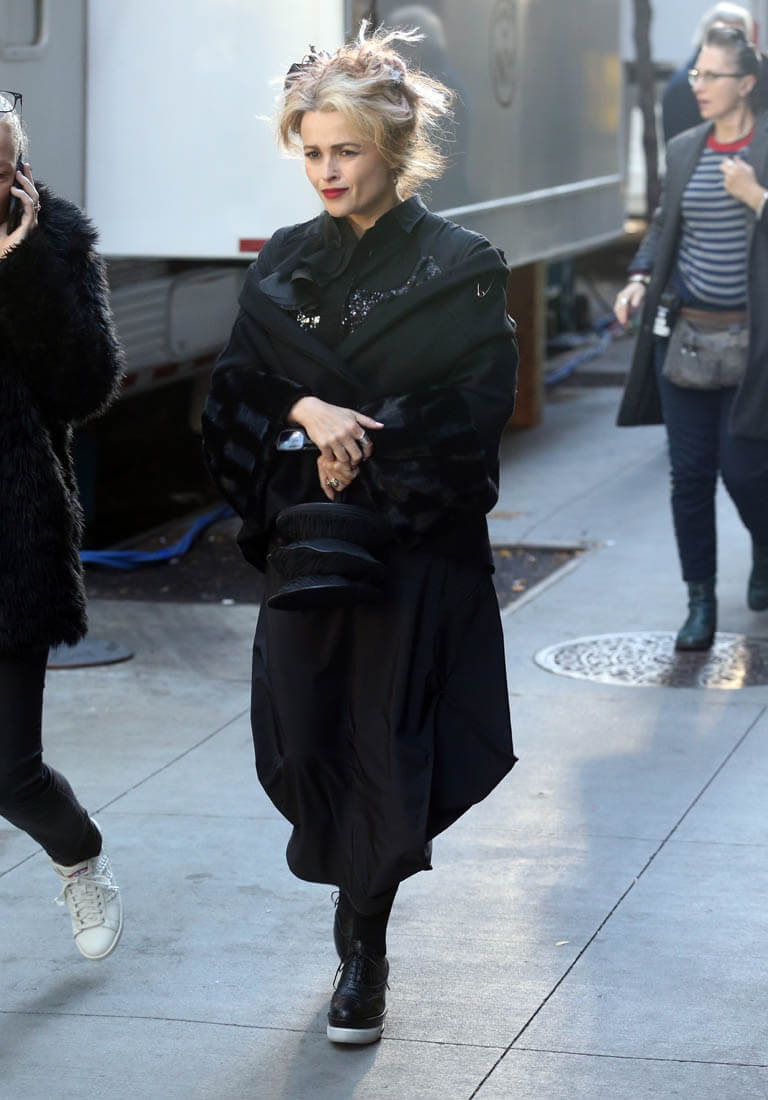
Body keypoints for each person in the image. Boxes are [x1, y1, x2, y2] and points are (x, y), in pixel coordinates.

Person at [203, 25, 517, 1044]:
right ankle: (357, 903)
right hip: (306, 544)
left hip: (411, 552)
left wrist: (364, 443)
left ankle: (363, 946)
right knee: (303, 739)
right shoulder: (284, 259)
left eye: (345, 150)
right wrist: (306, 412)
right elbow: (230, 395)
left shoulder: (463, 264)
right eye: (312, 151)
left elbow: (475, 410)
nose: (326, 170)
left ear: (392, 145)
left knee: (386, 742)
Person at [0, 92, 124, 958]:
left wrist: (21, 269)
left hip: (11, 538)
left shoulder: (57, 245)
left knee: (11, 773)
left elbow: (87, 386)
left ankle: (80, 858)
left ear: (20, 173)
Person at [615, 26, 768, 651]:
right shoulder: (685, 148)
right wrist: (639, 277)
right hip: (685, 340)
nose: (698, 85)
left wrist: (756, 197)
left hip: (754, 348)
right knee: (690, 476)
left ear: (747, 83)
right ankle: (699, 601)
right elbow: (662, 225)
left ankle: (764, 547)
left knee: (746, 471)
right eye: (697, 73)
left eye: (712, 75)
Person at [662, 3, 754, 143]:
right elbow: (681, 148)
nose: (730, 43)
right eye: (722, 36)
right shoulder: (683, 87)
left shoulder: (754, 79)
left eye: (738, 37)